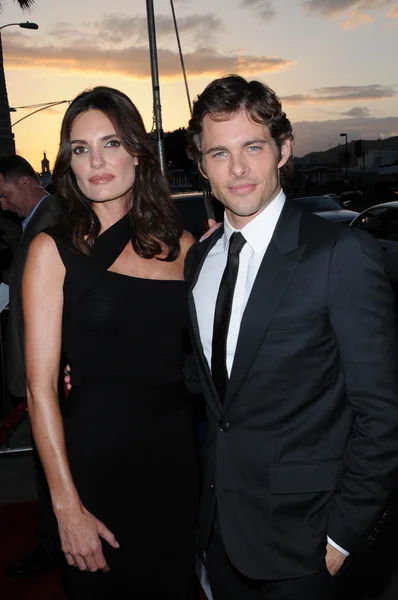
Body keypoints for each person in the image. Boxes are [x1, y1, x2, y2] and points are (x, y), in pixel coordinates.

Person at [183, 74, 398, 600]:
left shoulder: (339, 255)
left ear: (283, 149)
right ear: (202, 165)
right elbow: (211, 387)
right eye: (219, 153)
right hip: (220, 534)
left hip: (307, 547)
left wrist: (342, 536)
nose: (236, 169)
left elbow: (382, 413)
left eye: (252, 147)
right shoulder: (200, 261)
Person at [22, 86, 199, 599]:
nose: (96, 160)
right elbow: (39, 391)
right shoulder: (51, 251)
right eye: (80, 148)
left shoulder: (183, 246)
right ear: (68, 162)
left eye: (111, 143)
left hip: (174, 464)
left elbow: (207, 357)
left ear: (139, 153)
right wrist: (66, 508)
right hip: (94, 469)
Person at [0, 155, 62, 577]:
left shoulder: (55, 219)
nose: (3, 205)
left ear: (26, 181)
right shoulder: (33, 223)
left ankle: (54, 547)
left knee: (54, 463)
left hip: (50, 372)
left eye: (4, 195)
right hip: (35, 366)